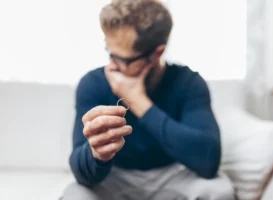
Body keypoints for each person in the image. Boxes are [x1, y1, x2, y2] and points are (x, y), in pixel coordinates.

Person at [63, 0, 235, 199]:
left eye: (124, 60)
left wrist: (138, 101)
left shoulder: (188, 83)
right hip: (115, 177)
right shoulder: (93, 83)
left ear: (156, 54)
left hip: (172, 176)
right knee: (75, 194)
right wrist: (96, 154)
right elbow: (81, 175)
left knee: (219, 192)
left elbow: (208, 161)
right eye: (110, 54)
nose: (112, 66)